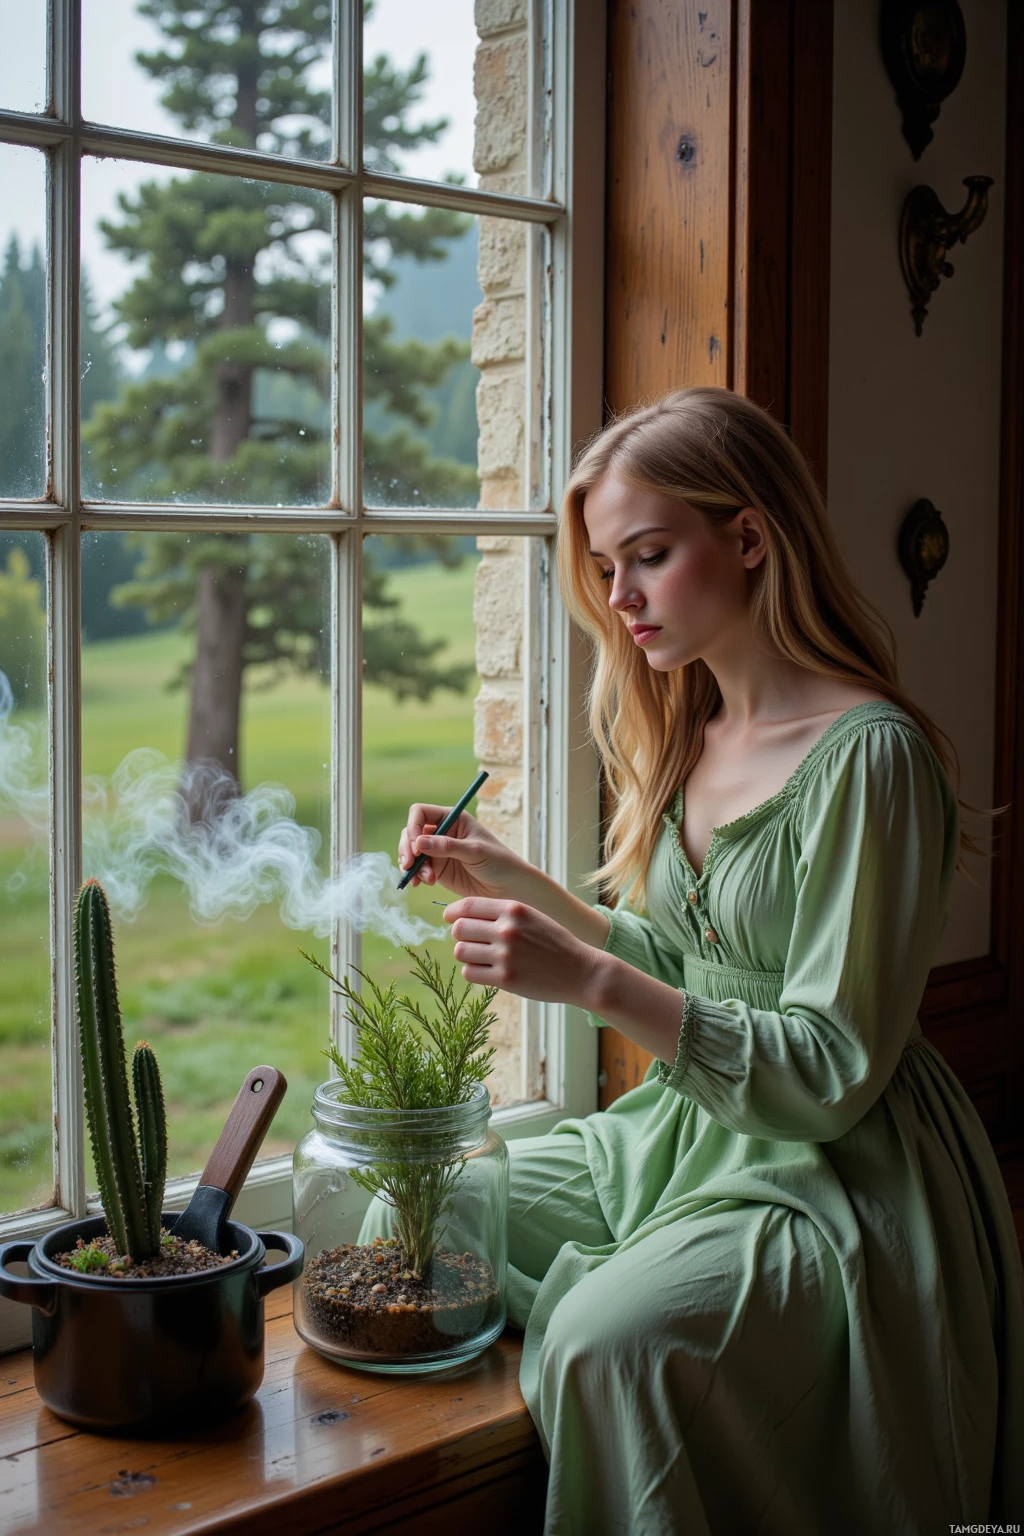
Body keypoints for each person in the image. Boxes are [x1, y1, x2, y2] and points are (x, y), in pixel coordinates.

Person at [398, 388, 1024, 1535]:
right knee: (433, 1206)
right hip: (686, 1133)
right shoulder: (694, 732)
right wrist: (509, 877)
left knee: (599, 1344)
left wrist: (585, 980)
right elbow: (689, 966)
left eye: (646, 555)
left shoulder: (867, 761)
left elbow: (832, 1068)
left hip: (833, 1166)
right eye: (603, 569)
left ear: (747, 538)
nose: (619, 598)